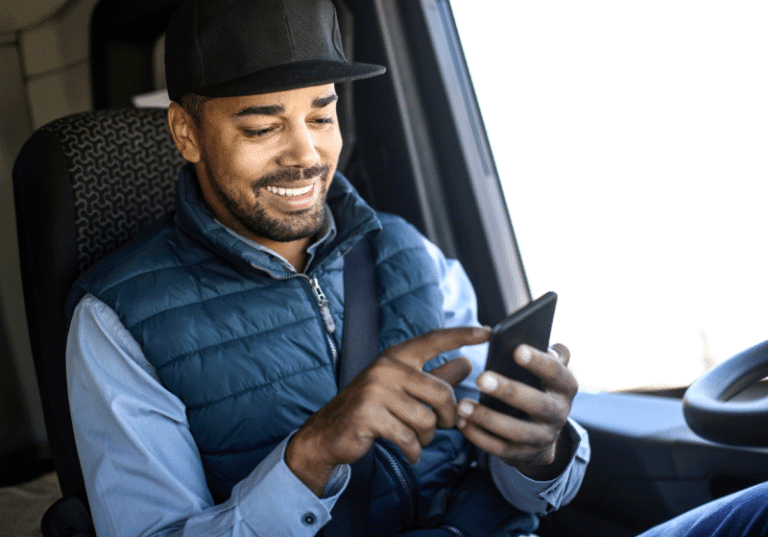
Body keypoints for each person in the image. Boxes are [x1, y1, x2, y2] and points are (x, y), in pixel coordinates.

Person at [64, 0, 590, 535]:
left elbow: (503, 473)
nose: (307, 155)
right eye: (262, 128)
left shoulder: (411, 252)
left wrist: (539, 452)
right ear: (186, 133)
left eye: (321, 116)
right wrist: (311, 456)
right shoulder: (117, 322)